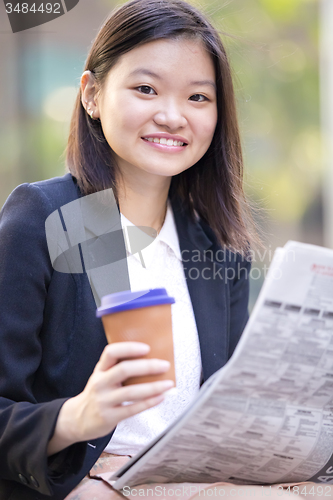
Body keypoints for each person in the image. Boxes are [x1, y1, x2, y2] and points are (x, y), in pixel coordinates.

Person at [0, 0, 257, 498]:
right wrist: (75, 419)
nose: (172, 115)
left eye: (198, 98)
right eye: (145, 89)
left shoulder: (220, 246)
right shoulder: (43, 216)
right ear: (92, 95)